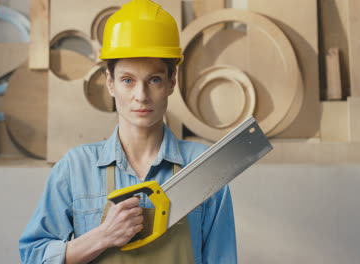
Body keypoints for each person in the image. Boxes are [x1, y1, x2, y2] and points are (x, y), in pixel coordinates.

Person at [19, 0, 237, 263]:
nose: (141, 96)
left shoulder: (203, 166)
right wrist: (103, 236)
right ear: (110, 84)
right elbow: (33, 257)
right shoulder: (76, 169)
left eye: (154, 80)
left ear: (171, 82)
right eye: (127, 81)